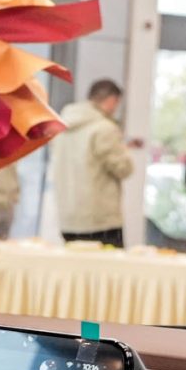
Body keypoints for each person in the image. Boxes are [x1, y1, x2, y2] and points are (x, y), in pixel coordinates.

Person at [50, 77, 134, 245]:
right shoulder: (105, 129)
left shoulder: (61, 128)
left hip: (68, 219)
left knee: (75, 262)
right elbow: (124, 169)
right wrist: (124, 150)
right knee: (107, 263)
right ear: (112, 100)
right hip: (100, 220)